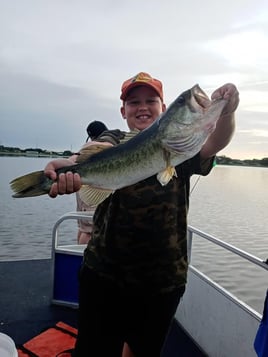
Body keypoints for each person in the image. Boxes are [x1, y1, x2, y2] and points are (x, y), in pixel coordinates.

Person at [44, 72, 239, 356]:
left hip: (163, 278)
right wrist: (69, 166)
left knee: (143, 350)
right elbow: (95, 150)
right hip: (104, 272)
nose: (143, 107)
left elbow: (216, 142)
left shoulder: (181, 149)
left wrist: (227, 112)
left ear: (163, 108)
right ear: (123, 111)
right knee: (94, 349)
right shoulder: (114, 139)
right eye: (133, 102)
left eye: (151, 100)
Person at [74, 121, 108, 244]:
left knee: (83, 229)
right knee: (89, 232)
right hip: (91, 199)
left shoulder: (86, 149)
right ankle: (83, 260)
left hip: (84, 200)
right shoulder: (100, 149)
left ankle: (80, 260)